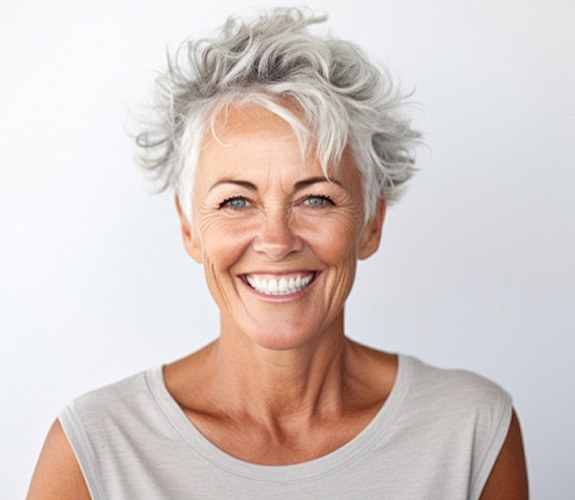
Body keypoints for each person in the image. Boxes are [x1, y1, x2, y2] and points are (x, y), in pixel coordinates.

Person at [28, 7, 528, 499]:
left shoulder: (471, 430)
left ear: (372, 222)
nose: (276, 240)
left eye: (316, 198)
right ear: (189, 227)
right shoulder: (94, 450)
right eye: (236, 201)